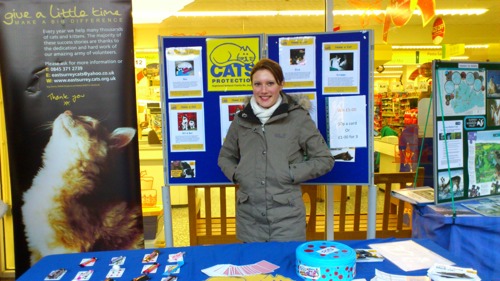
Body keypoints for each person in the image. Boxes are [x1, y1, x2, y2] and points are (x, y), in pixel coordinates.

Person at [218, 58, 334, 242]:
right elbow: (225, 157)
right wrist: (238, 174)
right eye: (258, 84)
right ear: (252, 87)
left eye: (270, 83)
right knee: (253, 269)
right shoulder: (241, 120)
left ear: (281, 85)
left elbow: (324, 159)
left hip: (287, 220)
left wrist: (289, 173)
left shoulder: (297, 118)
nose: (264, 90)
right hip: (249, 219)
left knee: (285, 269)